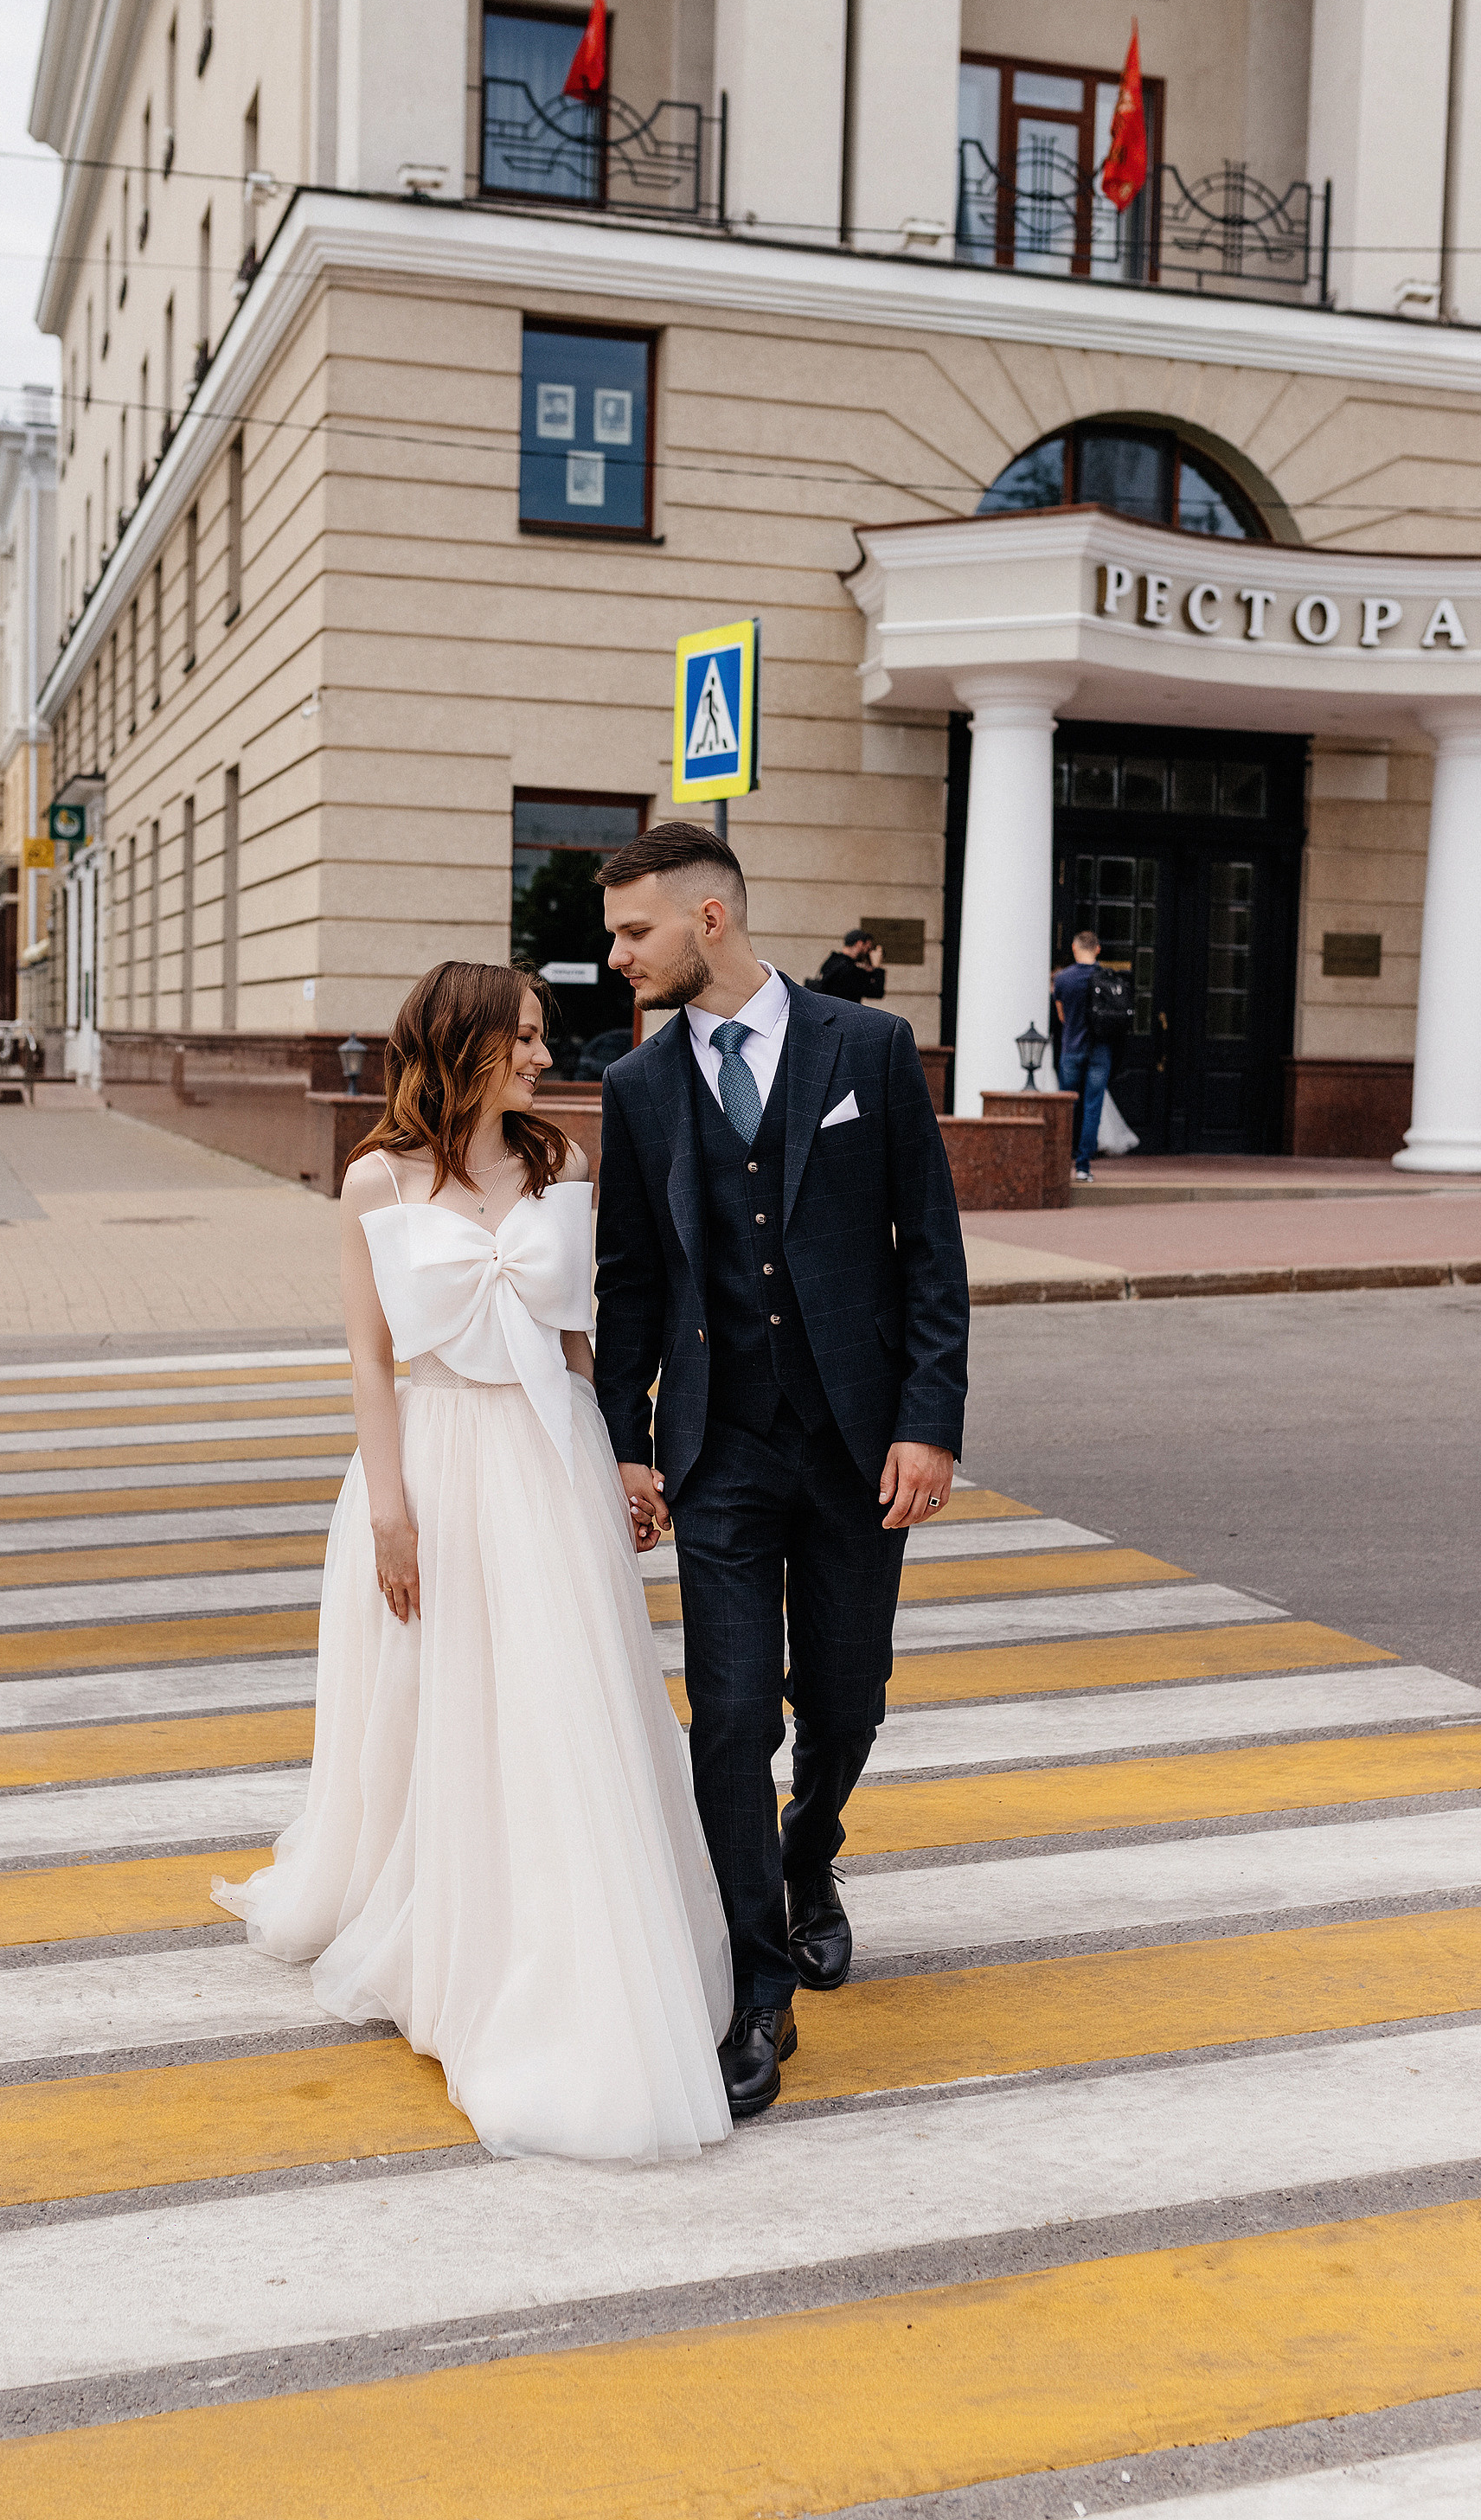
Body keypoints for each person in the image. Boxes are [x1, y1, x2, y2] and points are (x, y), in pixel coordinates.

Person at [213, 962, 733, 2164]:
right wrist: (390, 1512)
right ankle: (435, 1912)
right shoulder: (373, 1181)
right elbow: (367, 1363)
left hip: (550, 1456)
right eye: (529, 1040)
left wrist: (623, 1462)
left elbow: (577, 1336)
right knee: (437, 1702)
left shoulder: (563, 1165)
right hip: (433, 1462)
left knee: (563, 1702)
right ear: (465, 1047)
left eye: (546, 1041)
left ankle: (568, 1932)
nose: (548, 1059)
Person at [593, 822, 969, 2119]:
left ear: (710, 920)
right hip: (720, 1450)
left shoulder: (866, 1048)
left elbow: (930, 1249)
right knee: (736, 1714)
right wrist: (627, 1446)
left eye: (634, 931)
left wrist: (930, 1421)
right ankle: (759, 1988)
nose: (616, 954)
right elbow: (630, 1282)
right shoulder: (637, 1088)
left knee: (848, 1701)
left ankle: (814, 1856)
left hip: (859, 1444)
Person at [1052, 929, 1111, 1185]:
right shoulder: (1107, 977)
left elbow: (1062, 1016)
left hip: (1071, 1048)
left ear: (1075, 950)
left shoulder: (1062, 979)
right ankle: (1084, 1166)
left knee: (1069, 1107)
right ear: (1097, 949)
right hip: (1100, 1049)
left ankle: (1064, 1162)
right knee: (1092, 1106)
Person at [815, 929, 886, 1004]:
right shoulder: (848, 969)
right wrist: (877, 967)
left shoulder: (834, 961)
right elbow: (876, 992)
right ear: (859, 944)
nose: (868, 953)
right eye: (868, 948)